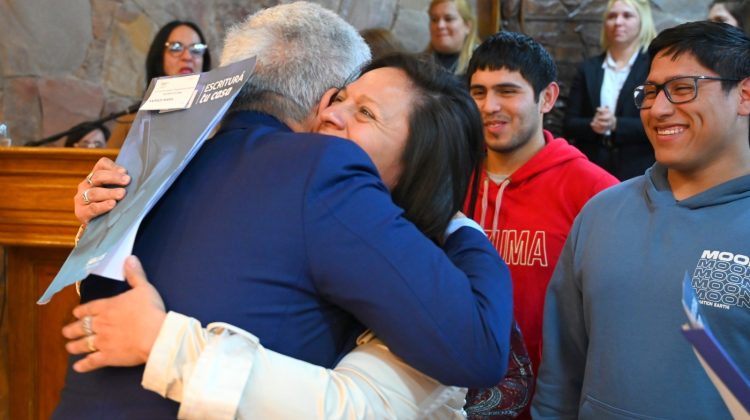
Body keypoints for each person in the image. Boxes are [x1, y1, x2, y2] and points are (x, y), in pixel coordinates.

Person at [55, 3, 512, 418]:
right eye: (339, 98)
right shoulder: (311, 173)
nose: (332, 113)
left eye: (365, 112)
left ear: (421, 163)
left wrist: (451, 219)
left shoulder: (172, 158)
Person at [533, 21, 750, 419]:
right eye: (649, 92)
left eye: (683, 88)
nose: (659, 108)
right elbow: (561, 373)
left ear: (744, 95)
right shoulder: (601, 212)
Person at [463, 31, 619, 418]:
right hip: (452, 395)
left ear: (547, 97)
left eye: (507, 91)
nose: (490, 105)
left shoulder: (595, 191)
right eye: (479, 92)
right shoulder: (449, 179)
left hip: (550, 404)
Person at [563, 0, 657, 180]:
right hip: (592, 167)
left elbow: (658, 123)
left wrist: (616, 124)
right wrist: (592, 125)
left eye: (627, 15)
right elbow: (569, 124)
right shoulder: (589, 68)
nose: (618, 22)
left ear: (642, 21)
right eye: (612, 16)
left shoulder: (653, 67)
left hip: (639, 169)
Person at [107, 20, 212, 148]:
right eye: (176, 47)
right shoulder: (130, 122)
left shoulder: (216, 119)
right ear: (159, 57)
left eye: (196, 49)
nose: (187, 56)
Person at [426, 0, 479, 76]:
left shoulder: (482, 63)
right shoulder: (417, 65)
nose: (440, 25)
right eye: (434, 19)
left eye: (448, 19)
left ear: (467, 26)